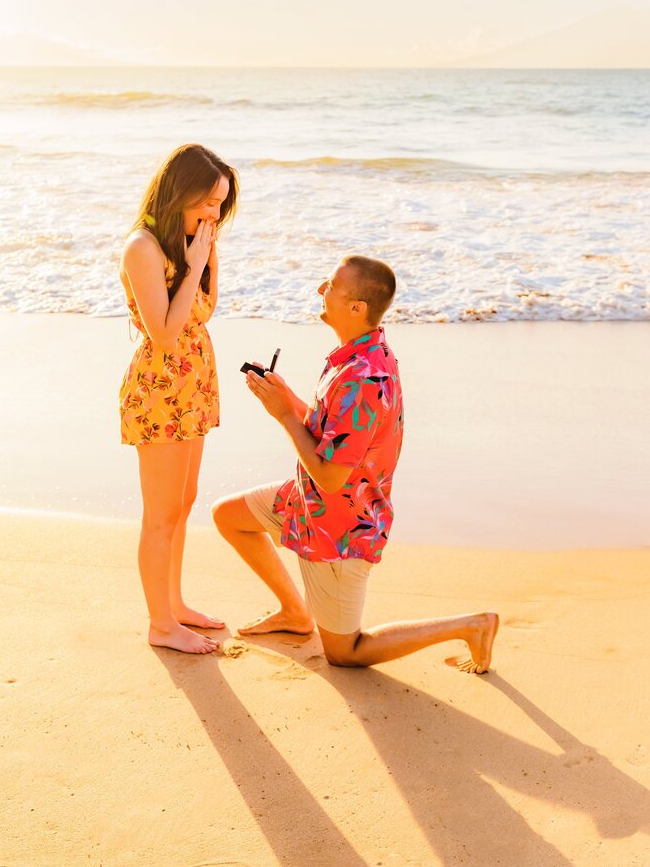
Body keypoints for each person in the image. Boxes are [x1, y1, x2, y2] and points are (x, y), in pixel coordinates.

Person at [212, 255, 499, 671]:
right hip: (307, 501)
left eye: (329, 284)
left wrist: (285, 415)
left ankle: (471, 625)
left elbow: (330, 477)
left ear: (356, 308)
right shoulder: (357, 354)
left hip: (342, 528)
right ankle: (295, 614)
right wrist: (285, 396)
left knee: (346, 653)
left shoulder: (363, 377)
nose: (319, 290)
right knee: (228, 516)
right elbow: (329, 435)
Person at [120, 143, 239, 654]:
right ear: (180, 191)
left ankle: (175, 605)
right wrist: (192, 267)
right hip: (161, 390)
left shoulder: (189, 243)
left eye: (220, 204)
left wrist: (204, 259)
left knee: (183, 504)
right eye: (207, 202)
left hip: (193, 385)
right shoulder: (143, 248)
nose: (214, 214)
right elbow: (165, 334)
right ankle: (160, 625)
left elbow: (203, 311)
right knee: (161, 514)